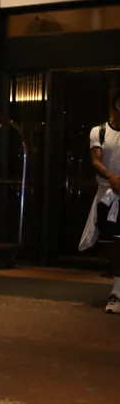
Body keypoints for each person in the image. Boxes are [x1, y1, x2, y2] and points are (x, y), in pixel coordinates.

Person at [82, 93, 120, 314]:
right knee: (112, 243)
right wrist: (111, 177)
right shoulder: (100, 131)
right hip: (108, 193)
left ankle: (117, 291)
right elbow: (95, 159)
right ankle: (117, 288)